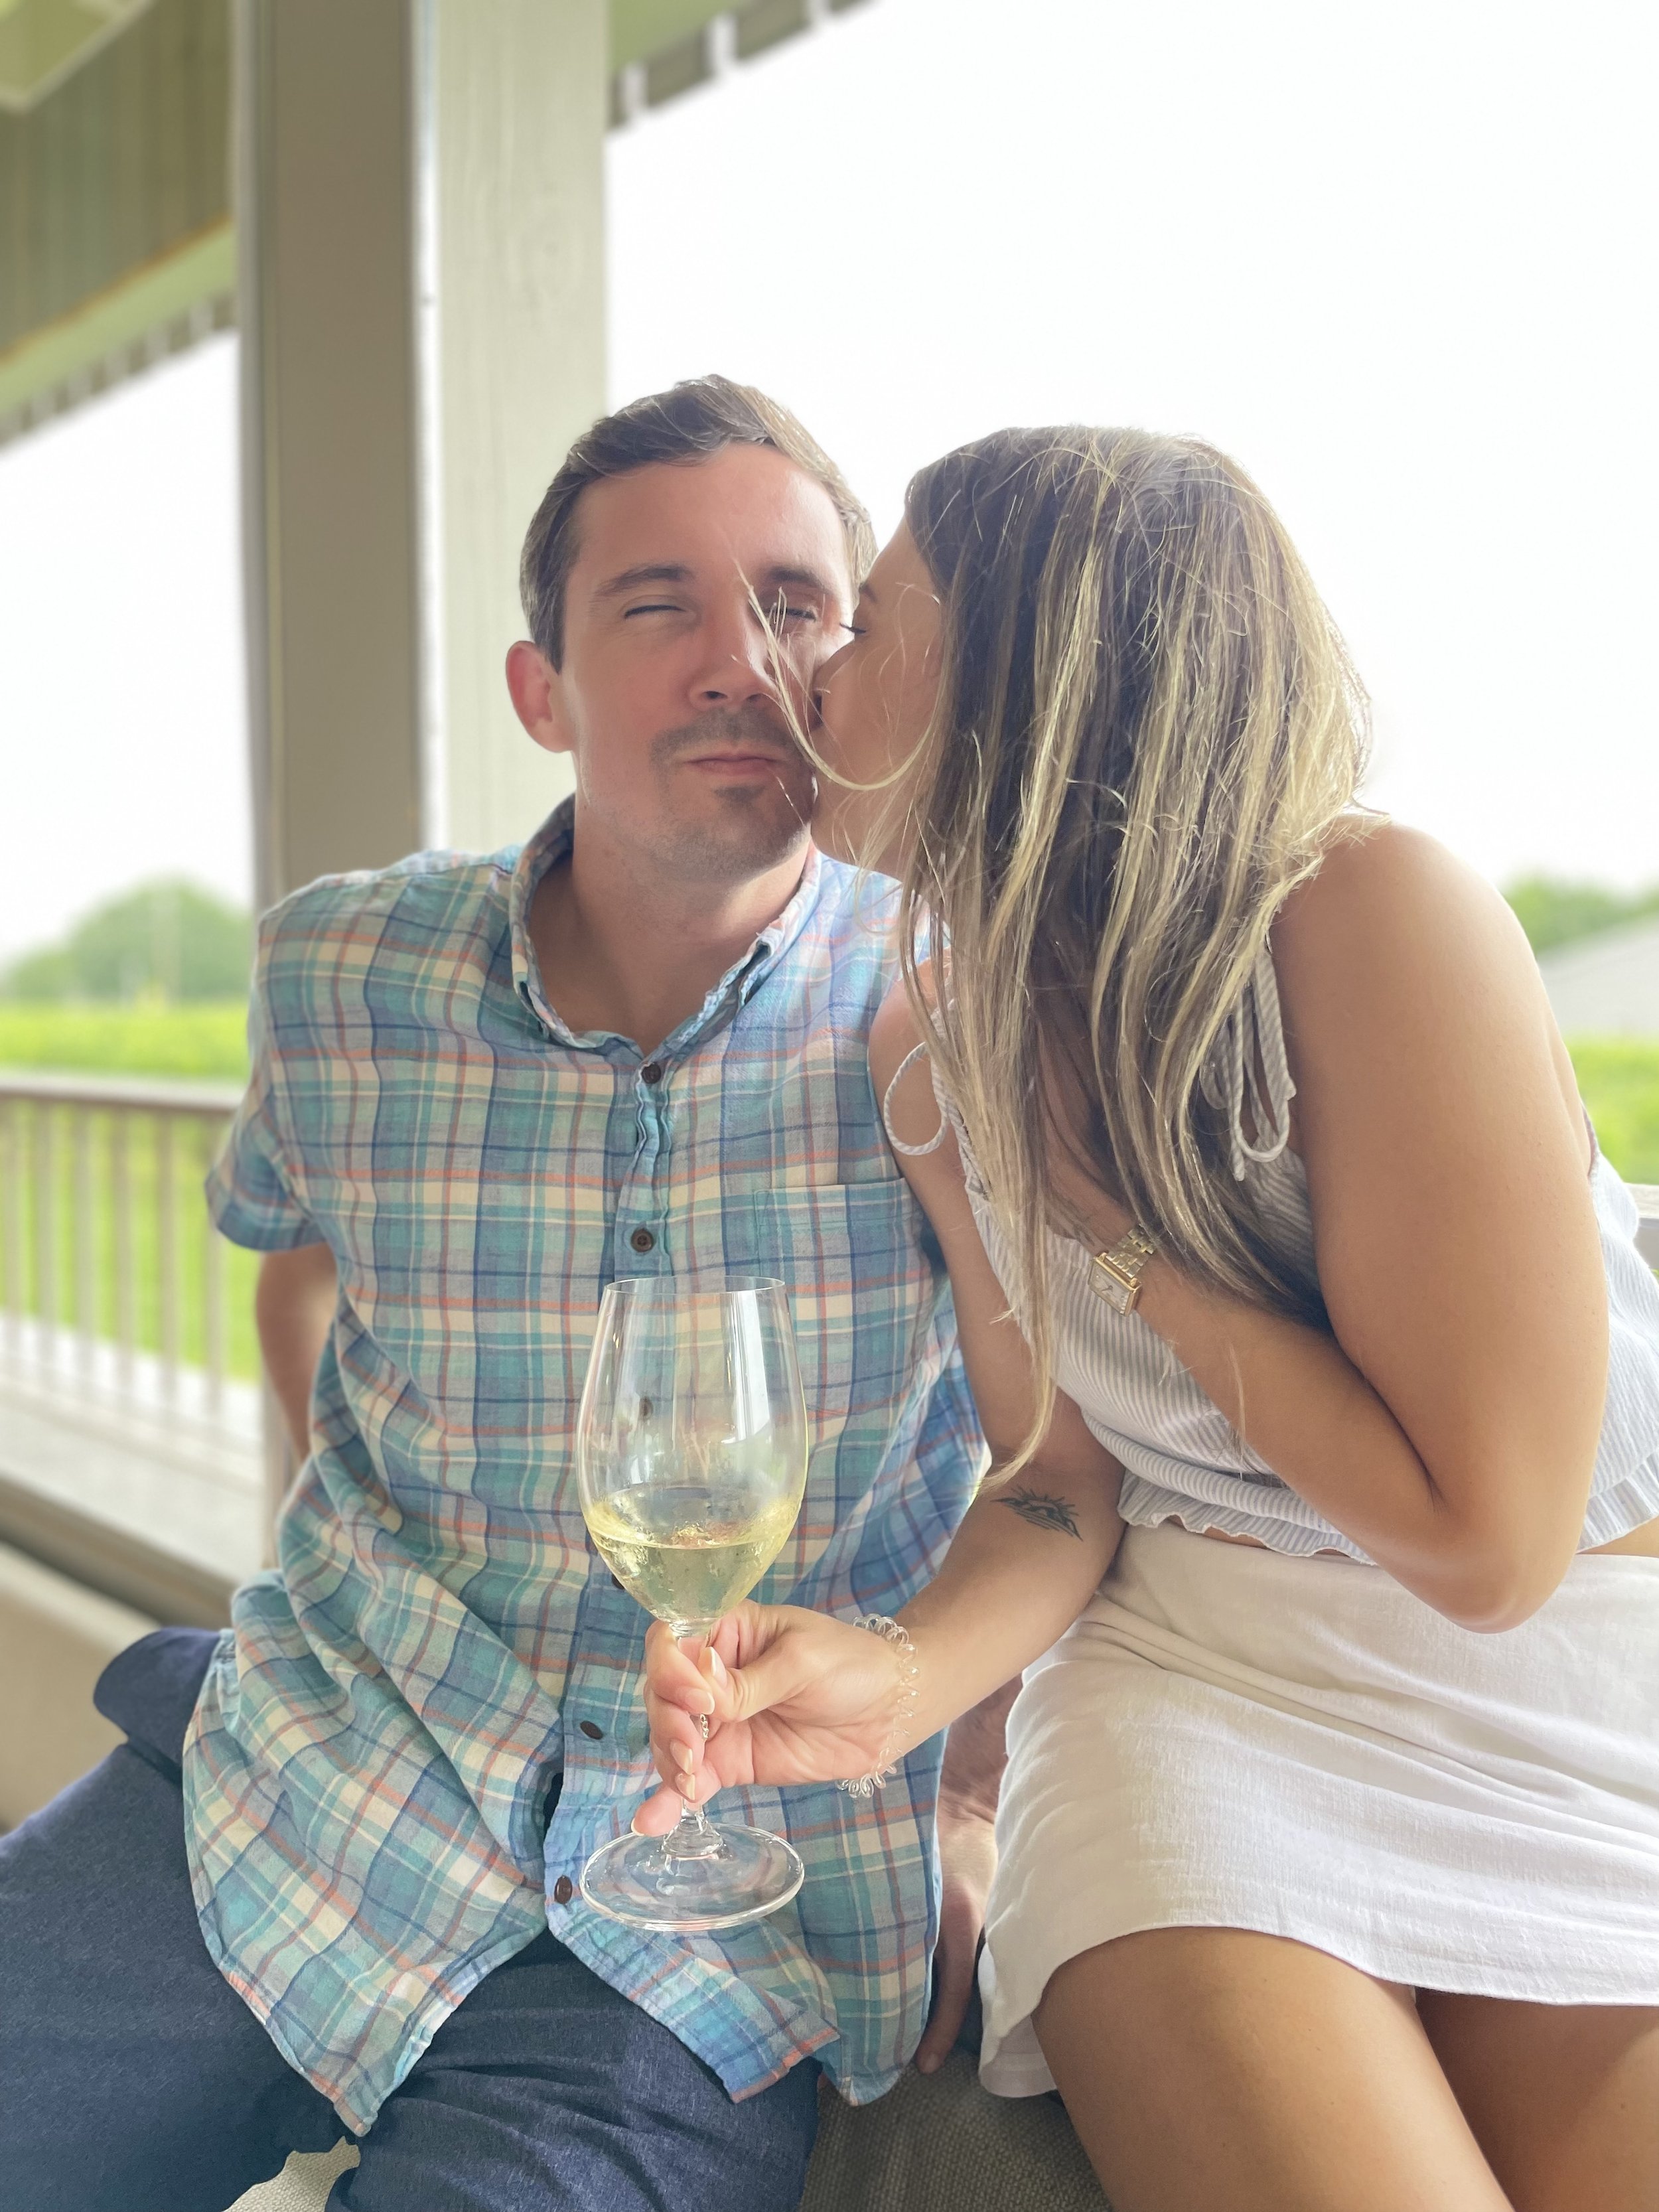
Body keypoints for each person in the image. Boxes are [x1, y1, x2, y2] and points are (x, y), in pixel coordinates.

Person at [0, 378, 999, 2212]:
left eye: (793, 603)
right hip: (311, 1778)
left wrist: (975, 1803)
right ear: (540, 689)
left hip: (723, 1899)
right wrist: (335, 1514)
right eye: (658, 606)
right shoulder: (339, 967)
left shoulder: (958, 1004)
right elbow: (292, 1246)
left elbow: (1062, 1459)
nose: (741, 661)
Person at [637, 426, 1659, 2212]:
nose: (813, 664)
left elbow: (1486, 1545)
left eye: (866, 618)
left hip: (1563, 1680)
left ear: (1028, 679)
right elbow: (1055, 1478)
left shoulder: (1373, 918)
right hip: (1201, 1689)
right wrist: (889, 1689)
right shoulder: (931, 1036)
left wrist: (1120, 1252)